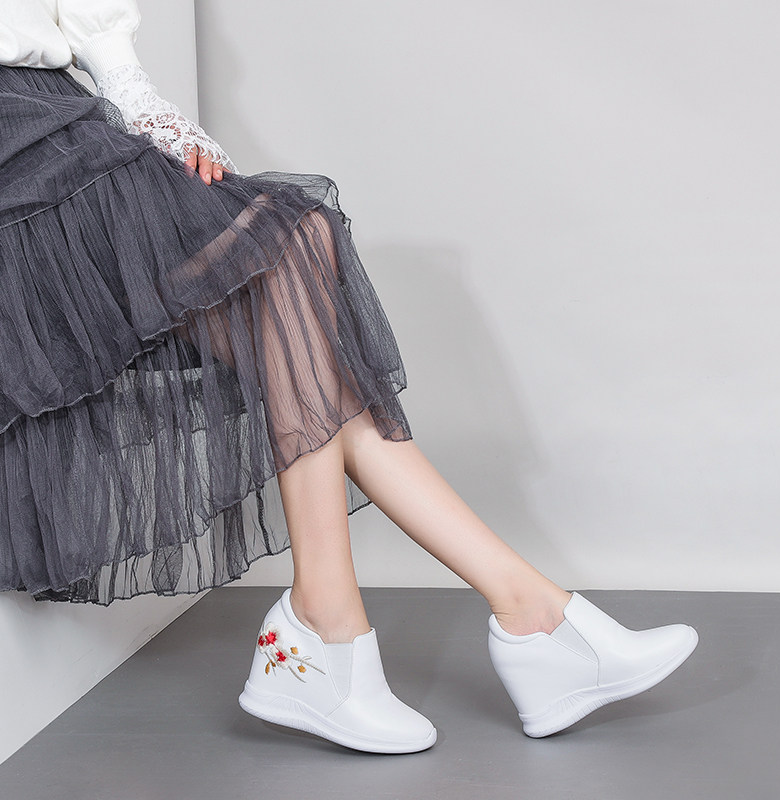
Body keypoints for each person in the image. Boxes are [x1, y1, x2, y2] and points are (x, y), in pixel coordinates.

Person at [0, 0, 699, 754]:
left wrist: (137, 97)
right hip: (18, 150)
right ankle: (490, 625)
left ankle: (496, 615)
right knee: (290, 256)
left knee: (298, 257)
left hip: (59, 112)